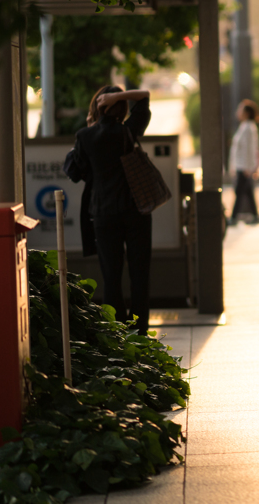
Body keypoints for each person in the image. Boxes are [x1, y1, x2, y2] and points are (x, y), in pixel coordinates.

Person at [67, 85, 154, 336]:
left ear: (97, 107)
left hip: (103, 213)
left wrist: (92, 122)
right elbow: (144, 96)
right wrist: (120, 96)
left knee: (111, 276)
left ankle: (117, 333)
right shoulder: (129, 131)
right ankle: (139, 332)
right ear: (122, 107)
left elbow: (77, 172)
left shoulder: (85, 136)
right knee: (140, 275)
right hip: (136, 209)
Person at [228, 100, 259, 225]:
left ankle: (234, 217)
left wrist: (249, 167)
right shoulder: (244, 126)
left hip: (244, 166)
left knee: (240, 191)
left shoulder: (249, 128)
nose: (238, 112)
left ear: (246, 113)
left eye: (240, 110)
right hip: (241, 164)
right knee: (246, 191)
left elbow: (250, 148)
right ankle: (254, 215)